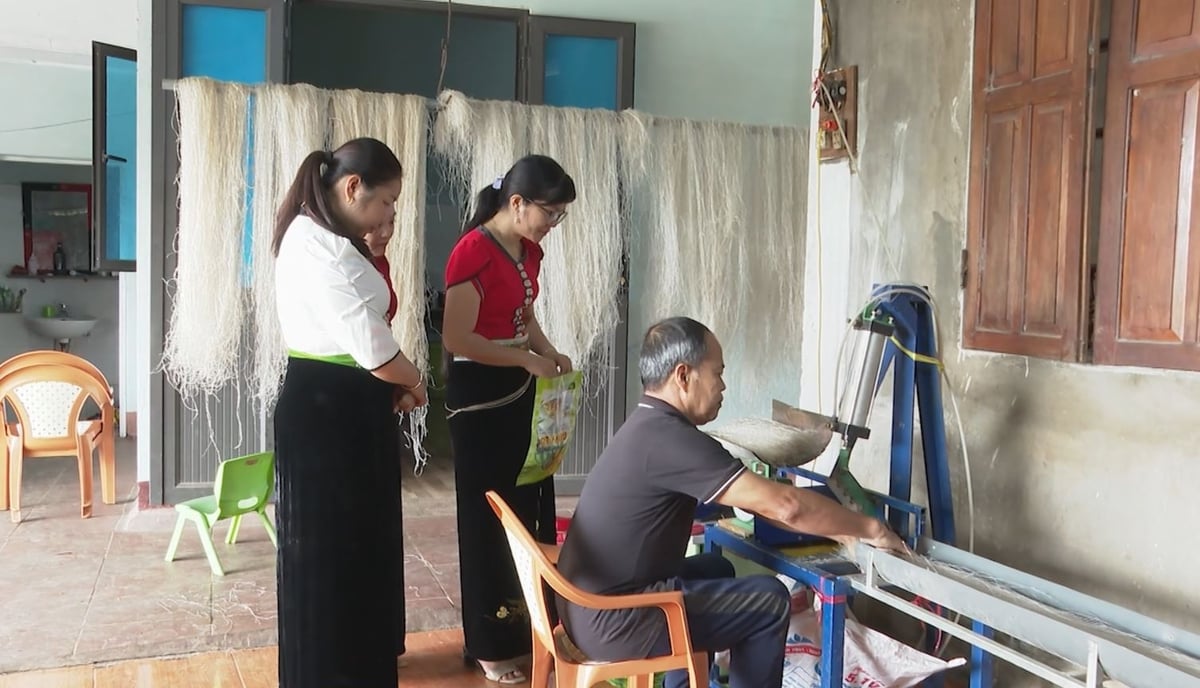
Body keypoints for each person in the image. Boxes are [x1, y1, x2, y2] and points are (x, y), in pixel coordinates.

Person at [556, 316, 906, 688]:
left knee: (714, 568)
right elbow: (787, 506)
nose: (723, 385)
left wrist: (833, 528)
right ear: (683, 375)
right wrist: (871, 528)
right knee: (769, 601)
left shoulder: (646, 425)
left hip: (583, 606)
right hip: (615, 620)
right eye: (717, 373)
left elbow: (774, 506)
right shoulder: (673, 441)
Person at [271, 137, 428, 688]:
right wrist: (415, 382)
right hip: (326, 416)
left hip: (348, 409)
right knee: (329, 557)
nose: (389, 215)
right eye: (386, 201)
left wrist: (391, 388)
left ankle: (361, 665)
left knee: (358, 549)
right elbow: (374, 349)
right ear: (352, 187)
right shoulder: (321, 247)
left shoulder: (330, 240)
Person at [441, 154, 577, 684]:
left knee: (530, 506)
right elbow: (457, 338)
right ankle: (491, 644)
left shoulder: (528, 249)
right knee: (489, 521)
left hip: (521, 388)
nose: (552, 224)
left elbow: (526, 315)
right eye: (550, 213)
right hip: (482, 395)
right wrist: (523, 357)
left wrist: (547, 350)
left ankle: (534, 630)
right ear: (516, 204)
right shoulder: (471, 252)